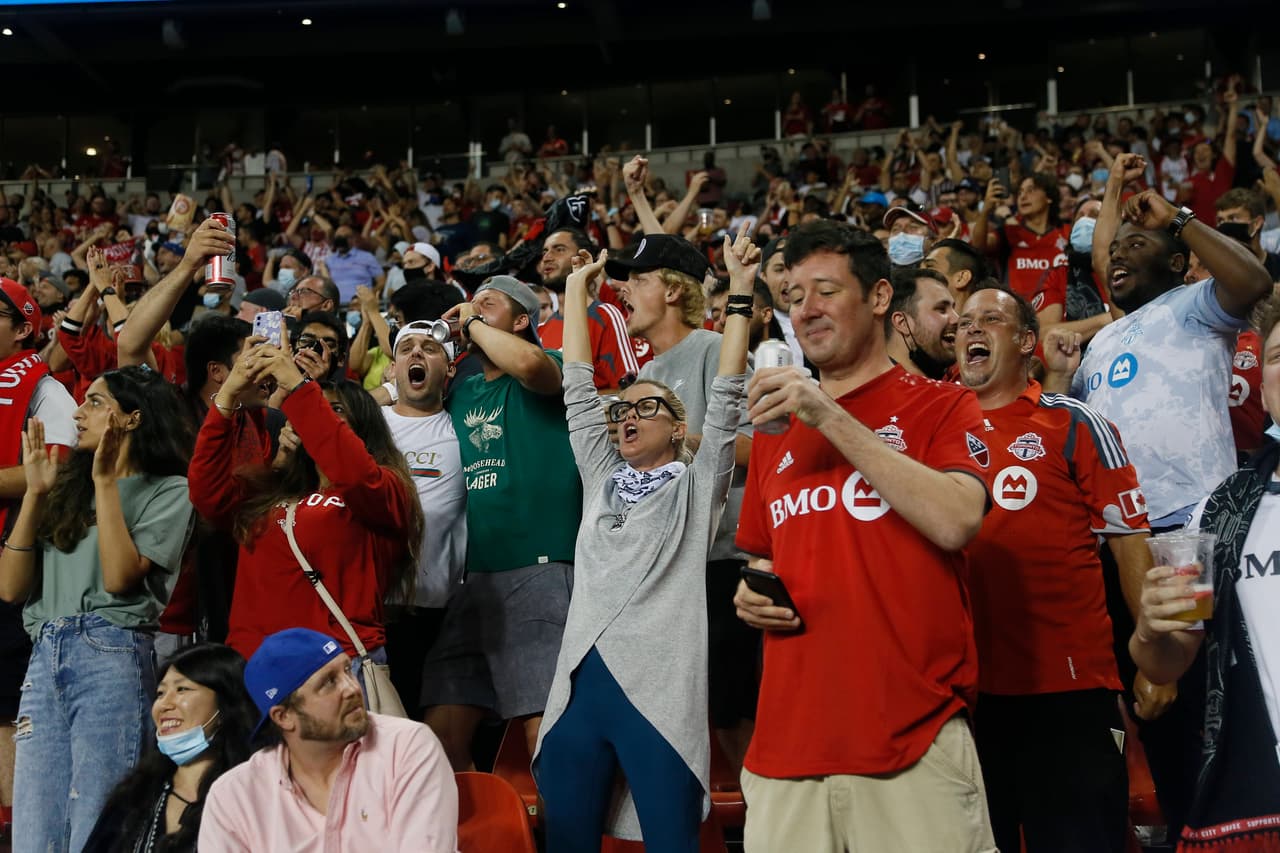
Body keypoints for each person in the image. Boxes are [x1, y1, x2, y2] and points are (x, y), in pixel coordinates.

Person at [731, 220, 995, 851]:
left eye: (825, 290)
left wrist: (827, 413)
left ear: (879, 298)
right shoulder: (776, 434)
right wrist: (753, 595)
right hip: (785, 752)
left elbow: (958, 520)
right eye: (794, 298)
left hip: (911, 737)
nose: (807, 310)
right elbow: (762, 558)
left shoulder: (941, 406)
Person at [1043, 151, 1273, 843]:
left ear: (1177, 263)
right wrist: (1058, 378)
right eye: (1113, 250)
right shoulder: (1100, 342)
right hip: (1124, 546)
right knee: (1156, 709)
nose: (1118, 256)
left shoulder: (1194, 306)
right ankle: (1184, 829)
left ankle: (1228, 821)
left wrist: (1176, 216)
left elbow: (1254, 278)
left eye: (1138, 246)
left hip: (1195, 533)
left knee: (1210, 699)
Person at [535, 233, 752, 850]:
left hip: (656, 697)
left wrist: (739, 291)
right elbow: (578, 387)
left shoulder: (696, 483)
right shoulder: (601, 478)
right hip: (579, 691)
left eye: (647, 408)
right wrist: (576, 289)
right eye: (622, 409)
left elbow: (730, 396)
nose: (628, 415)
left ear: (681, 426)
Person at [957, 285, 1151, 853]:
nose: (971, 329)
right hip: (963, 696)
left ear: (1025, 342)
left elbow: (1128, 539)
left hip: (1068, 690)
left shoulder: (1076, 424)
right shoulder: (934, 427)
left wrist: (1152, 658)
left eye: (988, 319)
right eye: (964, 321)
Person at [0, 366, 195, 853]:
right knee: (33, 831)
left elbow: (119, 576)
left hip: (111, 652)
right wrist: (35, 494)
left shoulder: (169, 490)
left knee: (98, 827)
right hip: (43, 657)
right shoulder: (64, 486)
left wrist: (106, 480)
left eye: (94, 402)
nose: (78, 414)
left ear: (131, 419)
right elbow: (9, 588)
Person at [1130, 294, 1280, 850]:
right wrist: (1152, 631)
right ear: (1262, 388)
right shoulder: (1216, 513)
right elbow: (1169, 660)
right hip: (1260, 800)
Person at [611, 233, 759, 770]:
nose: (625, 290)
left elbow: (760, 450)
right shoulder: (642, 378)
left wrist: (679, 436)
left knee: (733, 711)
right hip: (670, 566)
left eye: (640, 279)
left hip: (725, 560)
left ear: (674, 291)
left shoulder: (716, 348)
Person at [423, 275, 580, 770]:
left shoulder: (550, 365)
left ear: (520, 321)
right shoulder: (463, 389)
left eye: (488, 305)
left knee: (544, 733)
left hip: (540, 565)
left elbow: (530, 363)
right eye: (471, 305)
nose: (473, 310)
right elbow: (405, 402)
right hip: (477, 577)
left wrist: (469, 319)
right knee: (440, 735)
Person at [187, 341, 423, 662]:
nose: (316, 413)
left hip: (333, 667)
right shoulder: (271, 490)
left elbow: (353, 474)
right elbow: (206, 494)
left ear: (365, 426)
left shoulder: (383, 488)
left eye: (335, 409)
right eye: (314, 406)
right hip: (258, 668)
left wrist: (299, 387)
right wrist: (227, 397)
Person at [199, 628, 457, 852]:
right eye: (328, 683)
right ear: (284, 716)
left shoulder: (406, 748)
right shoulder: (235, 796)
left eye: (347, 670)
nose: (352, 688)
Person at [83, 644, 257, 853]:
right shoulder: (133, 796)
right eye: (160, 693)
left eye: (182, 689)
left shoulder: (253, 797)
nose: (164, 705)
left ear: (226, 703)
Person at [380, 322, 467, 720]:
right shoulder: (370, 425)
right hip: (372, 609)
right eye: (406, 349)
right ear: (393, 368)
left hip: (439, 614)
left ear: (449, 369)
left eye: (430, 348)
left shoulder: (464, 432)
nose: (416, 354)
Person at [534, 228, 639, 391]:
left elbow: (629, 392)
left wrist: (576, 407)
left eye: (559, 249)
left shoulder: (606, 316)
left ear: (583, 260)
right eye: (545, 251)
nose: (547, 257)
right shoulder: (541, 330)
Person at [884, 267, 958, 379]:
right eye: (942, 310)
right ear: (902, 323)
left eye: (954, 309)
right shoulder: (871, 392)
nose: (957, 319)